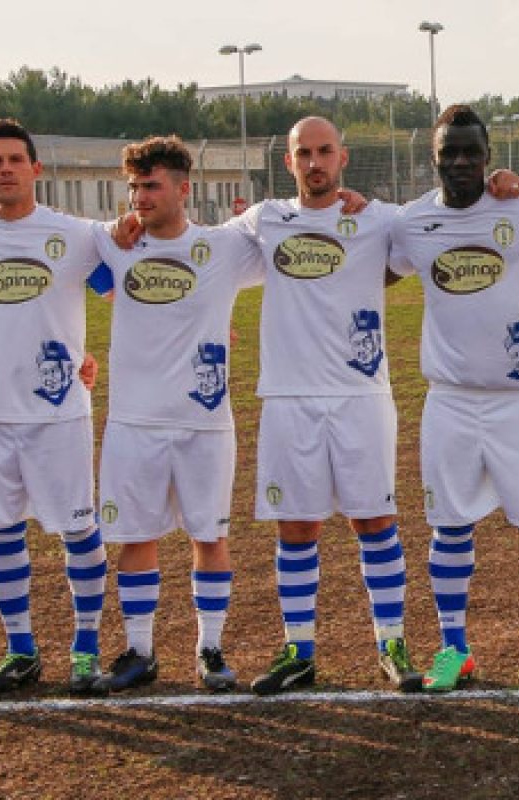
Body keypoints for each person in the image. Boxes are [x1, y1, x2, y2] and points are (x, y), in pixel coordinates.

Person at [217, 117, 419, 695]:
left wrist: (503, 180)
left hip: (361, 395)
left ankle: (392, 644)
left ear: (343, 157)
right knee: (297, 527)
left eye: (324, 151)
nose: (314, 162)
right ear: (288, 162)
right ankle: (298, 650)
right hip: (288, 397)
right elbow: (197, 248)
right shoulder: (265, 220)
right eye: (303, 153)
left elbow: (442, 221)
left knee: (374, 521)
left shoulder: (377, 217)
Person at [387, 105, 519, 692]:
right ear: (434, 157)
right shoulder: (411, 220)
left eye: (472, 152)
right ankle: (454, 649)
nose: (461, 163)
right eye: (450, 152)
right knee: (449, 527)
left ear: (490, 157)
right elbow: (368, 269)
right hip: (448, 401)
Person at [90, 136, 263, 694]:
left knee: (208, 535)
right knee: (136, 535)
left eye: (152, 186)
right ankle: (140, 651)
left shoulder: (224, 248)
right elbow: (59, 258)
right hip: (133, 421)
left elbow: (285, 226)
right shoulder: (113, 245)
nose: (140, 197)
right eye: (134, 187)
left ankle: (210, 648)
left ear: (184, 189)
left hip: (203, 421)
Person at [0, 119, 113, 697]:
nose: (6, 169)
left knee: (79, 529)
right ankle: (21, 650)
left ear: (36, 169)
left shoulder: (78, 235)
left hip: (58, 412)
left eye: (16, 159)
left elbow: (120, 289)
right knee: (1, 531)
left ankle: (86, 649)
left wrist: (84, 354)